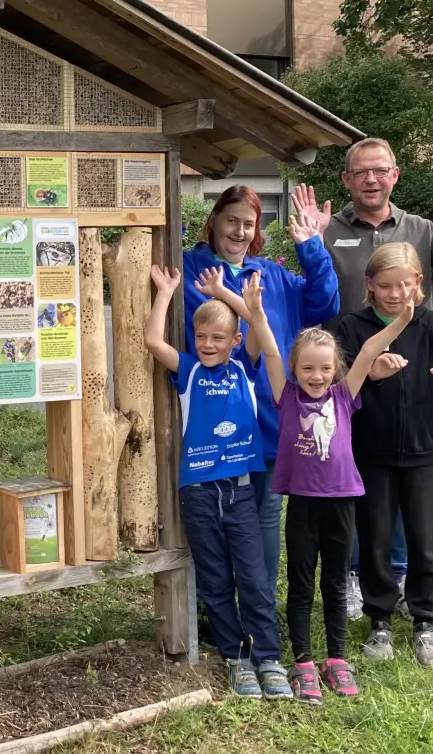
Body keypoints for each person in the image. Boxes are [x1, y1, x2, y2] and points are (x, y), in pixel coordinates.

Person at [199, 267, 411, 704]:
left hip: (341, 504)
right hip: (302, 505)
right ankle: (303, 662)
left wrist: (403, 319)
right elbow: (272, 349)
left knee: (334, 583)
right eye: (308, 368)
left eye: (325, 368)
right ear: (296, 369)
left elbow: (371, 349)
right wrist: (255, 312)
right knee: (299, 585)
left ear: (337, 370)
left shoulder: (344, 395)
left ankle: (337, 658)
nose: (316, 376)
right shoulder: (288, 395)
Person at [306, 137, 433, 620]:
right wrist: (309, 241)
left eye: (380, 170)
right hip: (345, 376)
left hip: (410, 378)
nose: (371, 179)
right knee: (357, 486)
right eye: (361, 171)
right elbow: (309, 286)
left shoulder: (421, 229)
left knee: (408, 492)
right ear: (346, 179)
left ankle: (401, 578)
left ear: (395, 175)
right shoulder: (329, 228)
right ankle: (355, 576)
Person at [334, 243, 433, 668]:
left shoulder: (431, 324)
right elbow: (335, 385)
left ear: (419, 283)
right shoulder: (352, 326)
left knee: (425, 540)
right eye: (386, 285)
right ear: (370, 286)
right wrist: (370, 372)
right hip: (370, 452)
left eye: (405, 284)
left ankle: (425, 623)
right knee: (376, 537)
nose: (396, 293)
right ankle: (379, 620)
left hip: (422, 453)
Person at [183, 186, 339, 587]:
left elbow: (324, 305)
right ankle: (213, 605)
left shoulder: (272, 275)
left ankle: (261, 604)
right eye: (231, 220)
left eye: (248, 224)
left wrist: (313, 248)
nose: (238, 231)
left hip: (269, 415)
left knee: (266, 510)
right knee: (213, 511)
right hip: (212, 417)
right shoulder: (190, 269)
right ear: (214, 220)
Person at [148, 266, 292, 700]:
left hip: (242, 488)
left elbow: (256, 325)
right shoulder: (189, 370)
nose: (208, 345)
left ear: (232, 342)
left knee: (253, 576)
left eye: (218, 338)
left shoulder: (245, 369)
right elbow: (154, 342)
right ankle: (236, 657)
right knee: (213, 578)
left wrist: (224, 293)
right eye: (201, 337)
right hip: (198, 492)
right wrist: (166, 293)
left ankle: (267, 657)